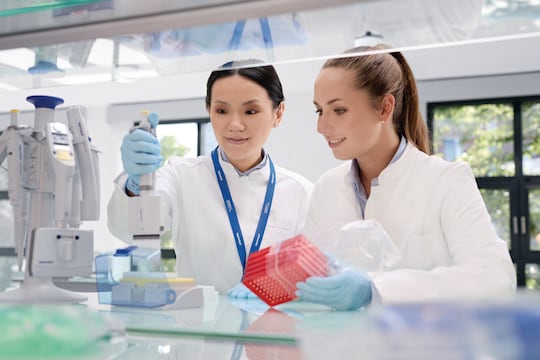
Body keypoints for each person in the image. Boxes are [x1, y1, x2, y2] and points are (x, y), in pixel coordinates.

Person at [295, 44, 516, 310]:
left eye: (338, 110)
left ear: (384, 108)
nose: (321, 126)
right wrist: (277, 288)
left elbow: (495, 277)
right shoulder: (327, 188)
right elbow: (308, 275)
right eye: (319, 110)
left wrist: (377, 290)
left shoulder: (446, 180)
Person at [107, 60, 313, 296]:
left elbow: (314, 273)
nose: (234, 125)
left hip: (274, 327)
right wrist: (135, 185)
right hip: (201, 325)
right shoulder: (180, 176)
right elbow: (132, 230)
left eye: (250, 111)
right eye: (221, 111)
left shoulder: (302, 193)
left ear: (278, 113)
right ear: (209, 110)